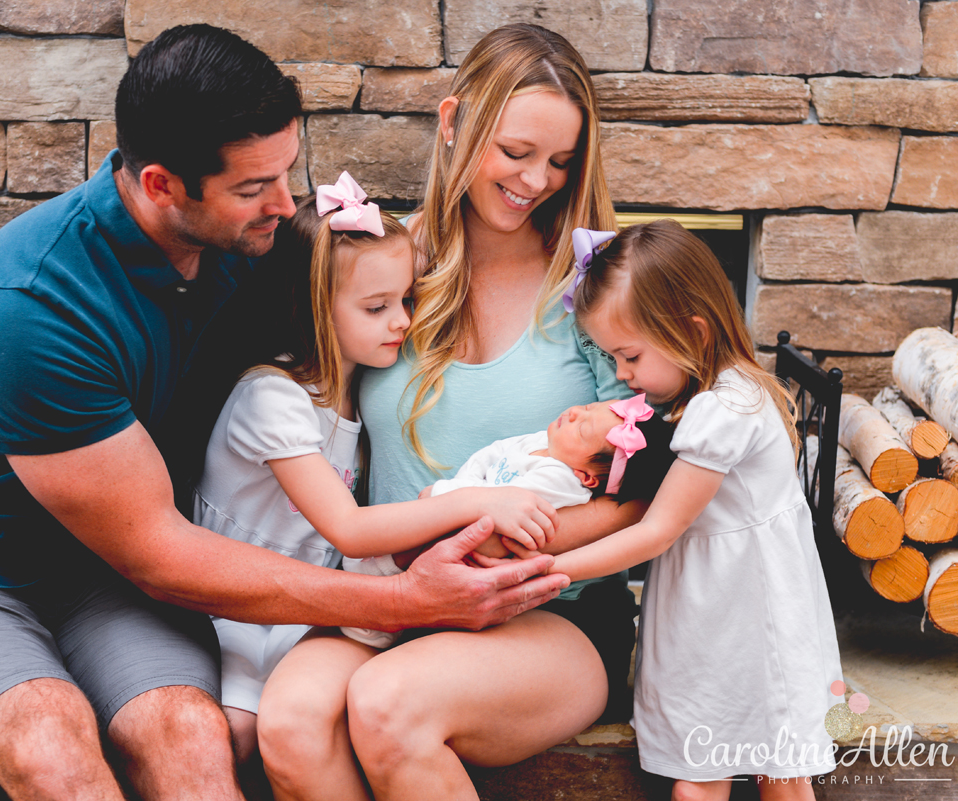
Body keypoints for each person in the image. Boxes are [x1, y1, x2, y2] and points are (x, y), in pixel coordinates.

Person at [0, 25, 570, 801]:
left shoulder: (248, 245)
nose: (285, 206)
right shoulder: (22, 306)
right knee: (51, 746)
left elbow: (373, 280)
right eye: (254, 190)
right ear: (160, 184)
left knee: (189, 737)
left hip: (104, 585)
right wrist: (400, 600)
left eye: (285, 173)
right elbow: (154, 548)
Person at [259, 23, 646, 801]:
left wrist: (500, 554)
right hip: (394, 595)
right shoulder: (382, 266)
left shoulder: (598, 289)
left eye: (561, 162)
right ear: (452, 122)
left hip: (547, 608)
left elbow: (638, 490)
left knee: (389, 703)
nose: (537, 180)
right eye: (516, 152)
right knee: (291, 722)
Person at [195, 175, 560, 763]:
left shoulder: (355, 390)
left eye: (406, 301)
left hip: (310, 615)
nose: (402, 322)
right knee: (231, 740)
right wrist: (479, 501)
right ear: (311, 306)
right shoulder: (274, 398)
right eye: (377, 307)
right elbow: (350, 529)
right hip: (238, 618)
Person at [565, 219, 842, 800]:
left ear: (691, 329)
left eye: (630, 354)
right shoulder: (712, 393)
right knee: (708, 773)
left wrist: (554, 570)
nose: (621, 374)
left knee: (770, 773)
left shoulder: (727, 408)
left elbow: (658, 528)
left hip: (744, 616)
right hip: (711, 612)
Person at [344, 394, 677, 649]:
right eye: (589, 407)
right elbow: (491, 453)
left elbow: (500, 516)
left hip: (484, 543)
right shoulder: (539, 444)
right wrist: (457, 492)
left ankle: (380, 616)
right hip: (466, 507)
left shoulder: (560, 481)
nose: (575, 412)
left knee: (433, 555)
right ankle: (377, 588)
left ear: (587, 477)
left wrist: (452, 501)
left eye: (583, 427)